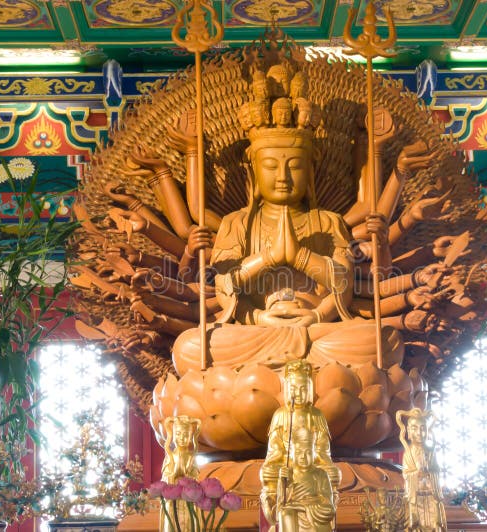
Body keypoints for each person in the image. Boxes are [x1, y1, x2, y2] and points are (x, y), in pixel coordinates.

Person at [171, 64, 403, 375]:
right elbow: (224, 284)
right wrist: (267, 265)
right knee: (189, 347)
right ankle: (302, 370)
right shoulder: (236, 223)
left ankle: (260, 376)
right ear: (253, 169)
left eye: (294, 165)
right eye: (270, 165)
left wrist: (302, 263)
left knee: (381, 341)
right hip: (255, 331)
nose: (282, 176)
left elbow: (343, 284)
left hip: (317, 330)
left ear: (310, 169)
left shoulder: (328, 221)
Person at [260, 360, 339, 527]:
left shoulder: (317, 415)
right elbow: (275, 452)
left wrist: (316, 466)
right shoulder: (280, 415)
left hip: (313, 467)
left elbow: (322, 451)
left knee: (331, 473)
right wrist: (281, 468)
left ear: (310, 389)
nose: (298, 393)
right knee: (268, 474)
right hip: (289, 469)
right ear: (287, 390)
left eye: (303, 389)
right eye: (294, 389)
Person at [273, 426, 336, 532]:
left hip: (314, 517)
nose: (303, 456)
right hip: (292, 514)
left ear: (314, 453)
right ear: (292, 453)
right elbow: (280, 505)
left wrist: (305, 507)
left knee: (328, 511)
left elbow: (329, 507)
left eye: (308, 453)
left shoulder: (320, 474)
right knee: (284, 513)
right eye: (298, 452)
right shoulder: (289, 474)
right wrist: (284, 483)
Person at [397, 408, 446, 532]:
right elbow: (406, 474)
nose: (419, 432)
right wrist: (416, 473)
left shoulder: (431, 452)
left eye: (423, 428)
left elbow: (436, 471)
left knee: (435, 523)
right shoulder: (408, 453)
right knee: (415, 524)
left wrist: (430, 472)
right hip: (416, 497)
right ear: (408, 431)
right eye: (414, 428)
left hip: (430, 496)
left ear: (428, 431)